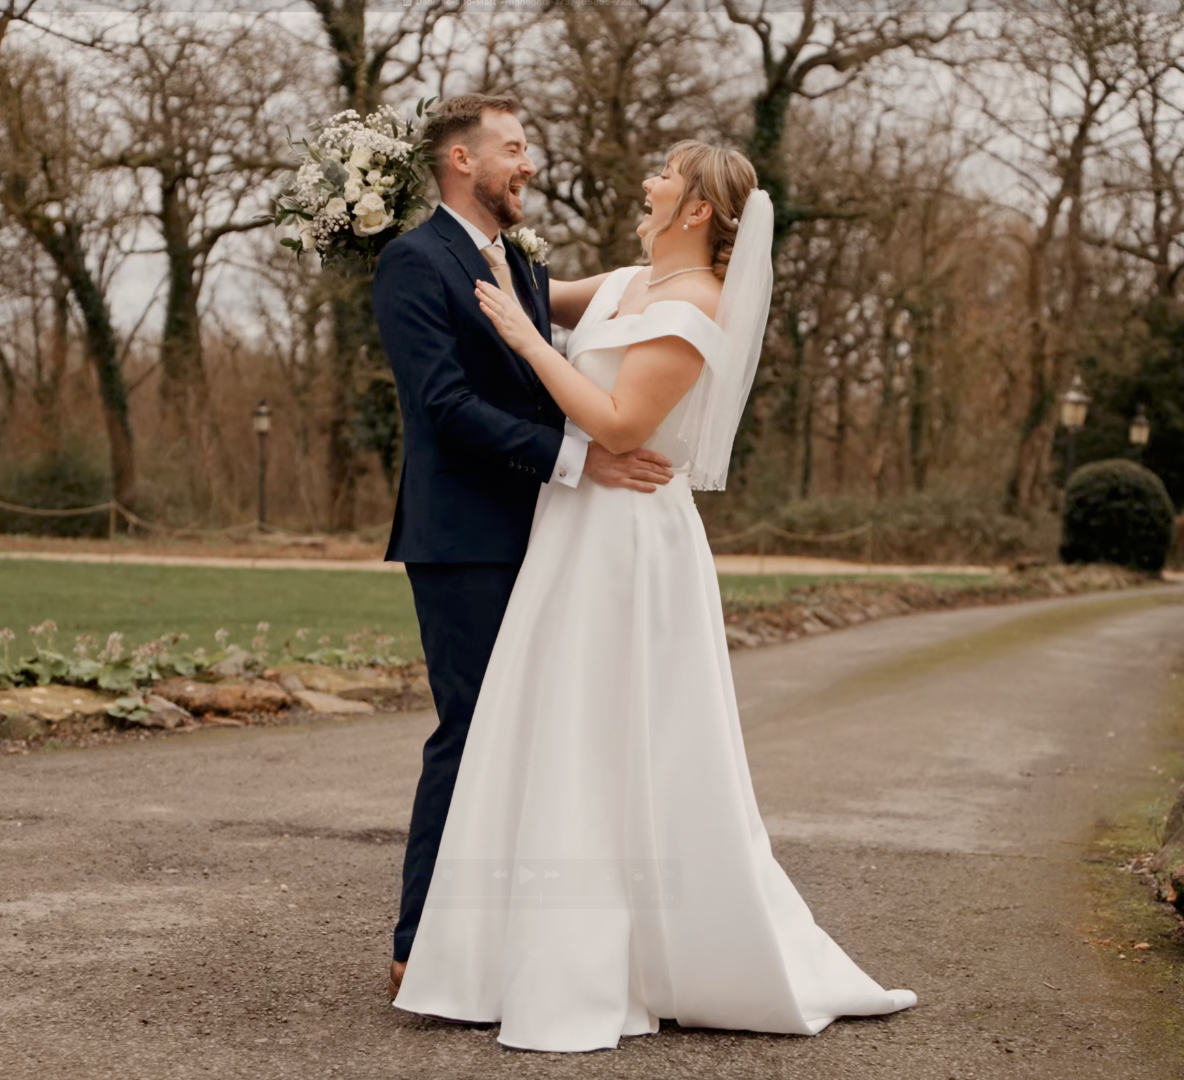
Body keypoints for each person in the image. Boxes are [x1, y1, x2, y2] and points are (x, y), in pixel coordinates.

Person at [387, 137, 917, 1052]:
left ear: (700, 209)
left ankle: (634, 955)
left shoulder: (696, 305)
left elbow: (620, 421)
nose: (647, 181)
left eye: (664, 175)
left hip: (630, 537)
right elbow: (508, 281)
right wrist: (396, 228)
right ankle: (501, 948)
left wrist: (522, 339)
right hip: (575, 531)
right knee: (555, 730)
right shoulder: (629, 281)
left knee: (618, 733)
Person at [370, 93, 674, 1000]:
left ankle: (503, 942)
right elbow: (444, 407)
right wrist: (586, 459)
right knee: (469, 735)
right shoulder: (412, 262)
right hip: (461, 537)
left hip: (544, 534)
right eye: (513, 147)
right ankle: (417, 945)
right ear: (461, 161)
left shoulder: (522, 262)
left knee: (532, 739)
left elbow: (592, 327)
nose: (529, 162)